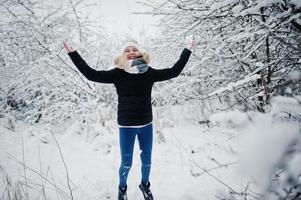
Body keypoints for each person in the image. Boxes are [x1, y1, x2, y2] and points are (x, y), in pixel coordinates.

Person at [63, 39, 194, 200]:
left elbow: (174, 71)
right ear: (123, 55)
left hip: (146, 124)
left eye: (134, 49)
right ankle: (122, 188)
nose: (131, 51)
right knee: (126, 163)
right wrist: (72, 53)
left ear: (139, 53)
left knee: (147, 162)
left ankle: (145, 185)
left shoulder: (149, 72)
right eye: (127, 50)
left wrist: (187, 50)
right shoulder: (118, 73)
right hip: (126, 126)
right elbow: (91, 74)